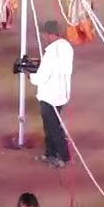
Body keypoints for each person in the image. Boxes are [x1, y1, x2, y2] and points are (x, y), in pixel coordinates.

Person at [30, 19, 74, 168]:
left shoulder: (51, 53)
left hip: (50, 95)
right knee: (51, 125)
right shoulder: (66, 47)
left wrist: (30, 75)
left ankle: (63, 157)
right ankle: (50, 153)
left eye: (45, 34)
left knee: (52, 127)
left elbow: (41, 78)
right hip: (62, 93)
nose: (44, 37)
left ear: (50, 34)